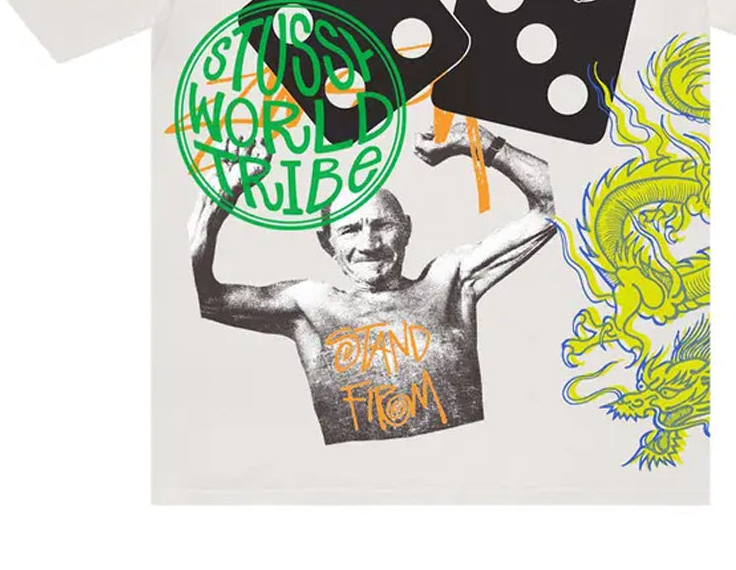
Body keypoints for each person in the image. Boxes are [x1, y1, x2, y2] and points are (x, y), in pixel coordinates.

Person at [189, 122, 556, 444]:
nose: (369, 244)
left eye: (383, 225)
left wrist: (479, 142)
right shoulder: (311, 306)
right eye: (350, 229)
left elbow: (554, 205)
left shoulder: (449, 283)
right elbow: (198, 297)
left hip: (463, 477)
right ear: (327, 242)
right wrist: (218, 200)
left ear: (407, 229)